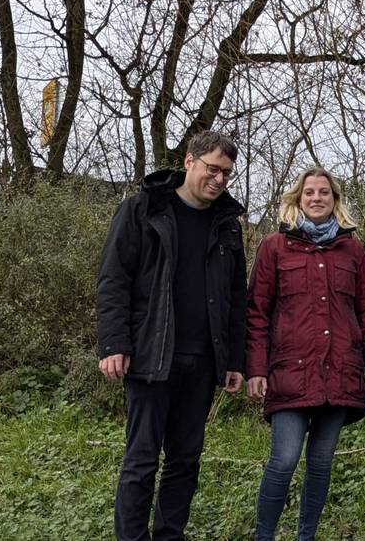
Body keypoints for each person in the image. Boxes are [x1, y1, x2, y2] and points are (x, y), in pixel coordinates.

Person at [96, 130, 247, 541]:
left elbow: (236, 297)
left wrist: (235, 360)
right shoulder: (142, 210)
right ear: (189, 161)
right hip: (150, 356)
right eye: (212, 169)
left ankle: (169, 535)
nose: (218, 179)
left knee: (185, 459)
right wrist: (114, 343)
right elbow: (114, 280)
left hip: (202, 361)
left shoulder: (227, 226)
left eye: (227, 173)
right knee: (142, 459)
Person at [244, 167, 365, 541]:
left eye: (325, 192)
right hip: (290, 372)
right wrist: (256, 368)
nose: (317, 198)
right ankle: (264, 536)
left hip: (340, 372)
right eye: (310, 193)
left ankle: (306, 536)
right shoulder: (275, 246)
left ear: (335, 200)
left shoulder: (352, 249)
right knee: (285, 459)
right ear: (298, 198)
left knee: (320, 463)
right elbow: (257, 311)